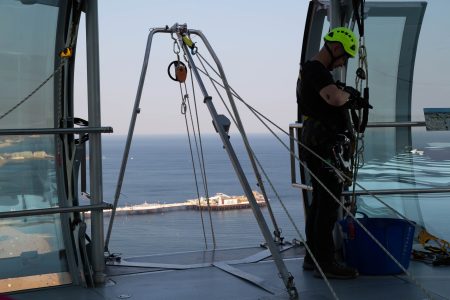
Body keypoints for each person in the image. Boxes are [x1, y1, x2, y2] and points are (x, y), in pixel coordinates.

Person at [296, 27, 371, 279]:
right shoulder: (316, 70)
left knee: (320, 203)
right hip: (322, 146)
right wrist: (349, 95)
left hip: (317, 144)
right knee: (328, 205)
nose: (343, 62)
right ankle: (325, 262)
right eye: (345, 57)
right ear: (336, 47)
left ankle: (313, 257)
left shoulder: (314, 71)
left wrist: (346, 93)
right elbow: (334, 98)